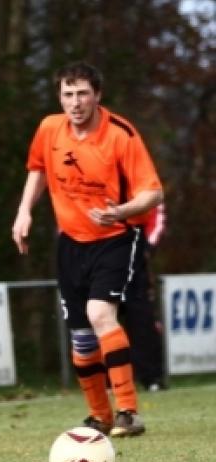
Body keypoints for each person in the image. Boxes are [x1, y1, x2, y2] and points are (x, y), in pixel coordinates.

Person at [12, 61, 164, 438]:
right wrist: (24, 212)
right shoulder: (49, 129)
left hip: (115, 240)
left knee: (100, 314)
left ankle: (128, 411)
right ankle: (101, 416)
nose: (75, 102)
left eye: (82, 93)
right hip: (71, 243)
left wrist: (121, 212)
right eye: (68, 94)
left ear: (97, 95)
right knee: (80, 336)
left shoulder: (121, 135)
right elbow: (38, 169)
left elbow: (154, 192)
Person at [123, 203, 167, 391]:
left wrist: (147, 246)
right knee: (101, 321)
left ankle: (151, 377)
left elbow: (156, 210)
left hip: (136, 265)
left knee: (143, 322)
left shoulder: (139, 179)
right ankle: (106, 380)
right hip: (101, 260)